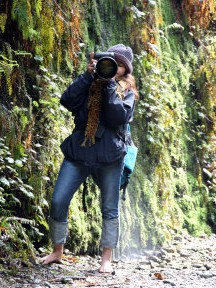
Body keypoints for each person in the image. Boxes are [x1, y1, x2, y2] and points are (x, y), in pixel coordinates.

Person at [38, 44, 138, 273]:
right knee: (58, 200)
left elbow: (116, 118)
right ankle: (57, 251)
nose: (115, 68)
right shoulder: (89, 83)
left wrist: (109, 84)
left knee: (110, 207)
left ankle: (106, 260)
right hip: (80, 151)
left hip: (110, 156)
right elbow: (67, 100)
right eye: (112, 62)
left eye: (120, 66)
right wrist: (88, 76)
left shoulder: (126, 91)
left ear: (126, 71)